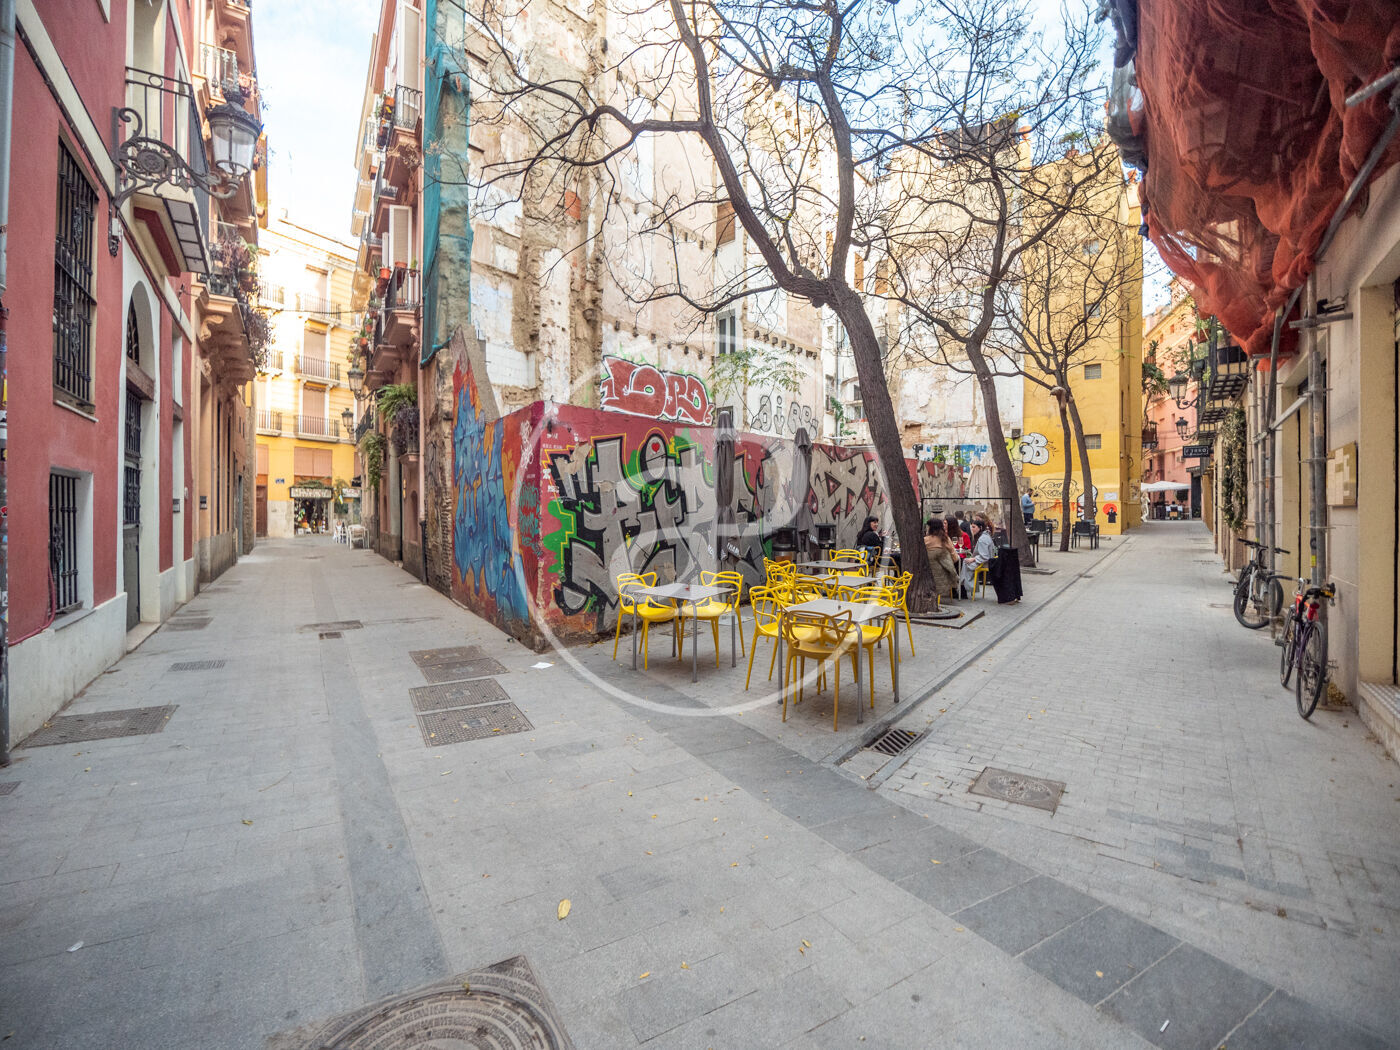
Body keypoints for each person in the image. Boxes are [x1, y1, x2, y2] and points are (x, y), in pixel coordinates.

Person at [923, 519, 961, 599]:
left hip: (927, 570)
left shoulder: (925, 540)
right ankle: (956, 589)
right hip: (944, 571)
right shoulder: (945, 538)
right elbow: (954, 556)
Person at [960, 517, 998, 595]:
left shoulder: (982, 539)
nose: (972, 529)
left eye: (974, 527)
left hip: (986, 562)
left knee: (965, 562)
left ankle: (964, 586)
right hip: (988, 560)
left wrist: (973, 559)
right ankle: (964, 586)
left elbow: (984, 556)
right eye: (971, 527)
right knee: (966, 560)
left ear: (980, 528)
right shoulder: (985, 536)